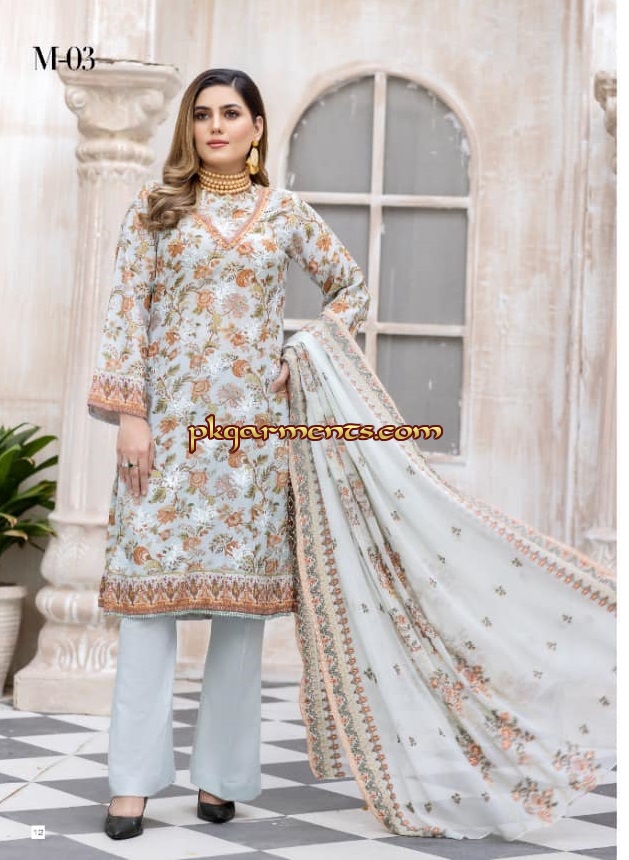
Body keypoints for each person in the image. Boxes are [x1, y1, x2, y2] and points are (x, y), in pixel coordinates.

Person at [87, 67, 370, 840]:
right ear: (190, 127)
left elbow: (348, 288)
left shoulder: (284, 213)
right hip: (166, 434)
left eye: (231, 113)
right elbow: (125, 314)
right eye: (203, 113)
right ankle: (131, 784)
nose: (215, 125)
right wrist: (131, 417)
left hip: (250, 441)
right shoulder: (155, 207)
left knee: (240, 620)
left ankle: (221, 778)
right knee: (146, 611)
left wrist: (303, 352)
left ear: (256, 127)